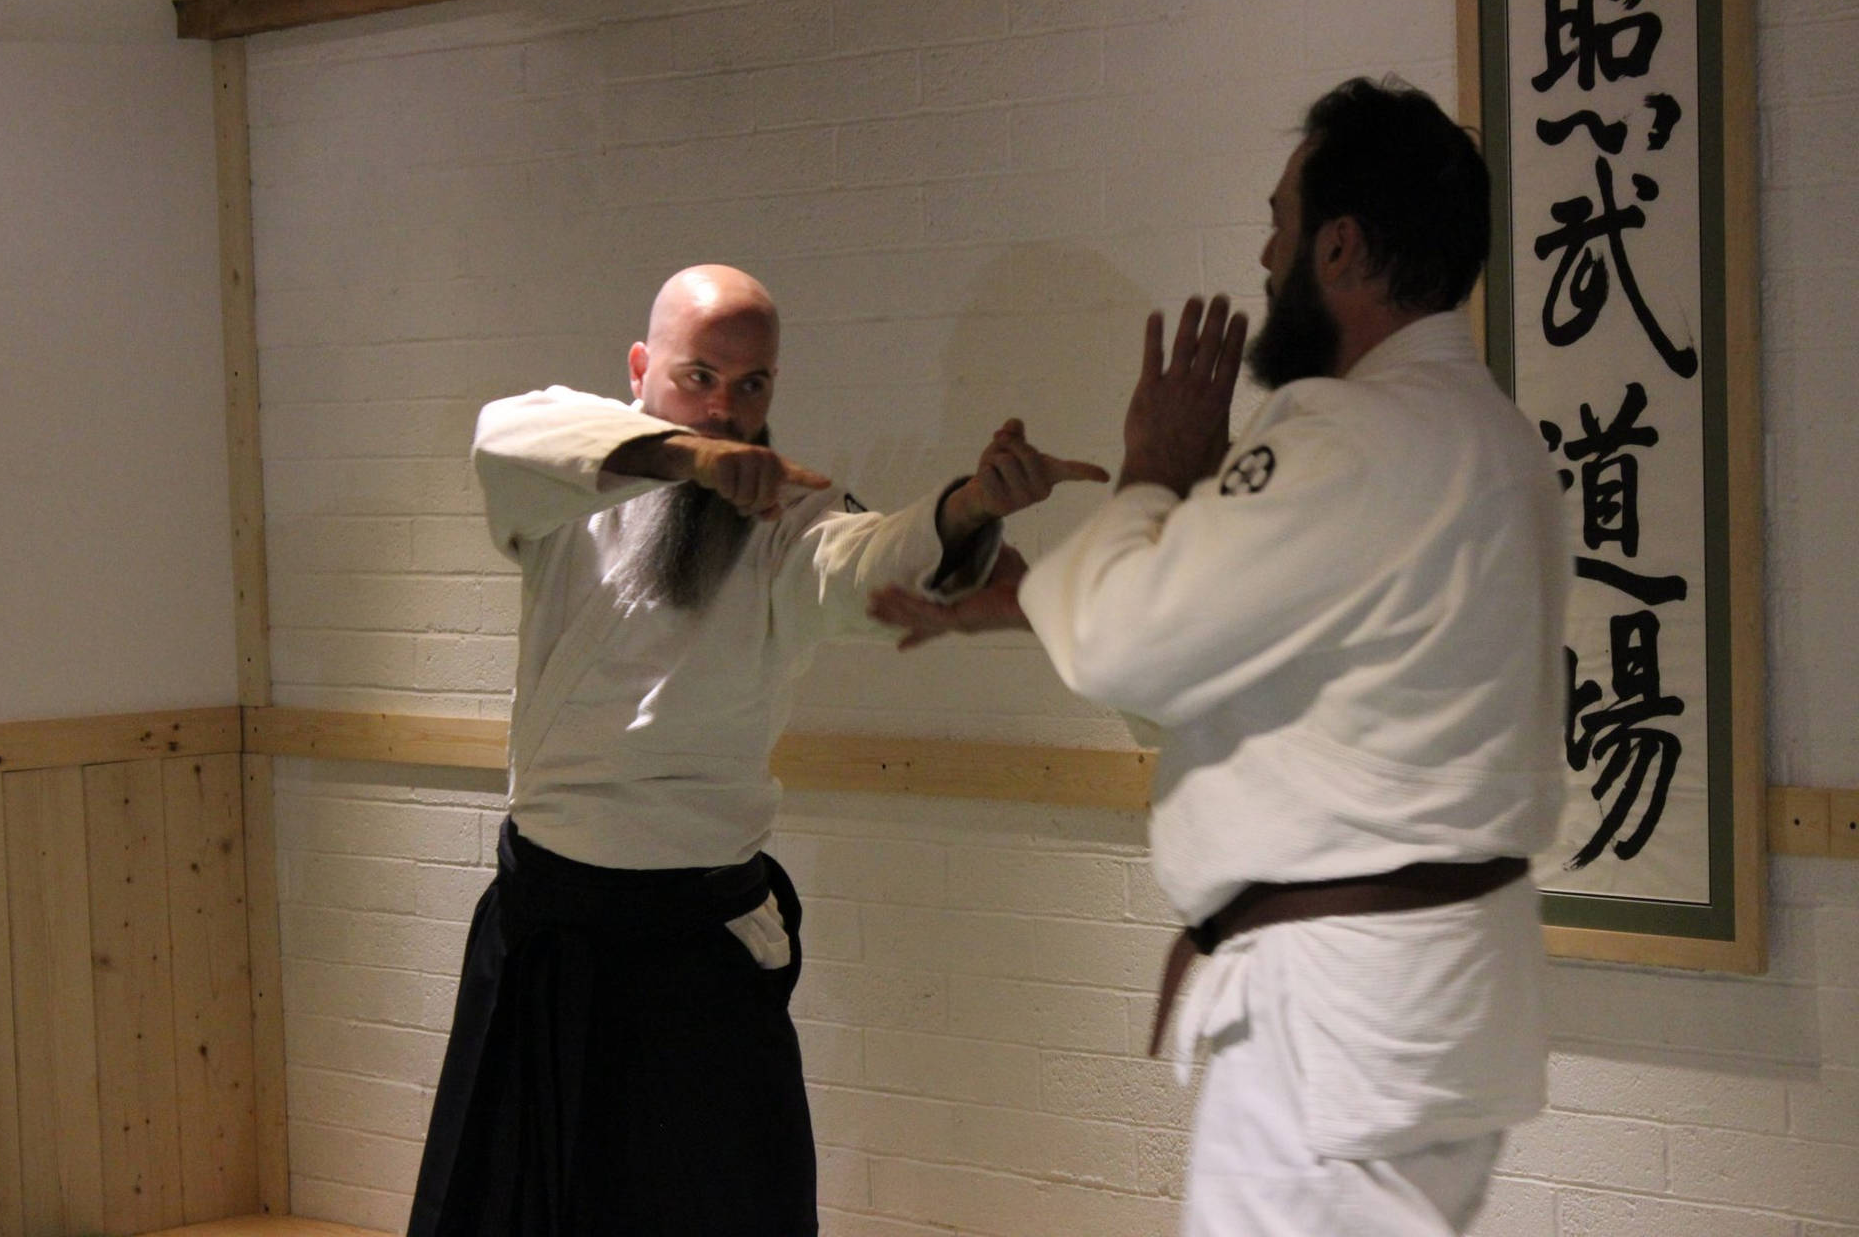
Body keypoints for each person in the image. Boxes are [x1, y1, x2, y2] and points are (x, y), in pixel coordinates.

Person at [872, 77, 1566, 1236]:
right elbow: (1257, 645)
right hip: (1425, 1002)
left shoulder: (1349, 433)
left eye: (1282, 223)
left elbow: (1133, 647)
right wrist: (1035, 593)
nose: (1265, 252)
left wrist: (1156, 463)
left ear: (1339, 248)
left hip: (1334, 1024)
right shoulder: (1484, 434)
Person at [405, 263, 1106, 1237]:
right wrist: (685, 457)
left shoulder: (792, 519)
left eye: (752, 385)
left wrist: (965, 511)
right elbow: (503, 432)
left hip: (697, 944)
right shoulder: (573, 487)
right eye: (700, 376)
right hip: (548, 927)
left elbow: (864, 554)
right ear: (642, 367)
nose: (727, 409)